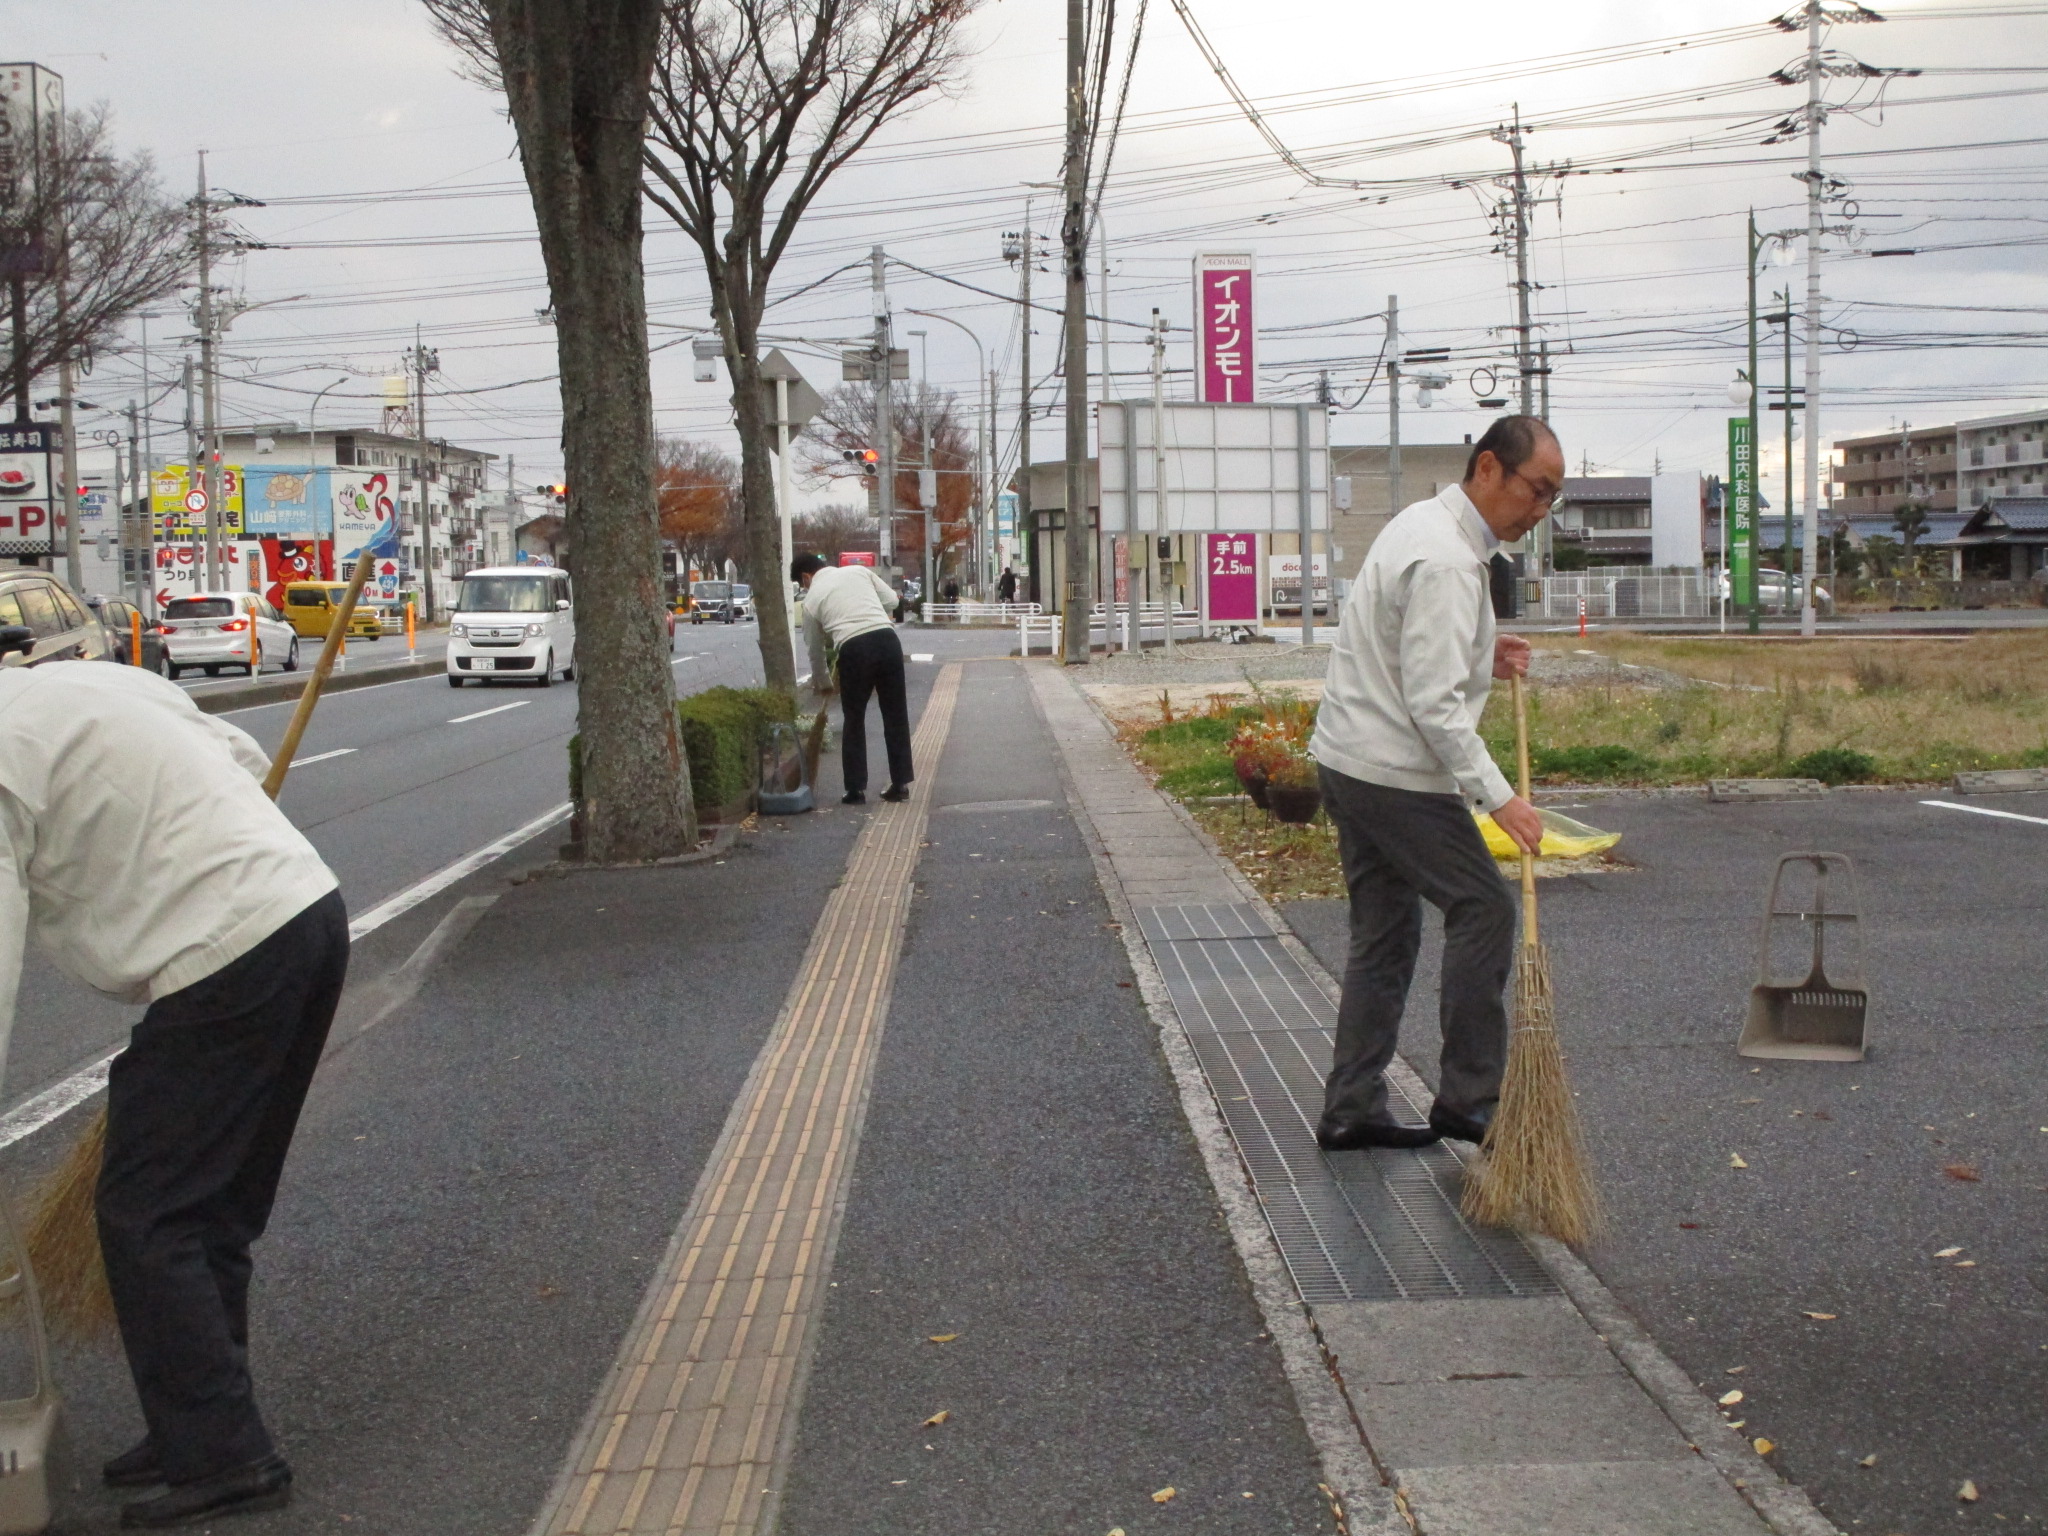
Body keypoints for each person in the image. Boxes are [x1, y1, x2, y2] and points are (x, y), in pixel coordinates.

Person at [0, 654, 344, 1527]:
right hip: (303, 911)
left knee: (145, 1212)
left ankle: (227, 1456)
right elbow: (230, 749)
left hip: (227, 951)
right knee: (211, 1208)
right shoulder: (79, 684)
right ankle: (198, 1425)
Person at [1306, 415, 1561, 1150]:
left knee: (1384, 939)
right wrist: (1501, 797)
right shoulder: (1450, 559)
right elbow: (1434, 706)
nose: (1541, 510)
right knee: (1483, 907)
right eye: (1536, 490)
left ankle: (1352, 1108)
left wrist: (1483, 655)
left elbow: (1411, 656)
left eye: (1554, 498)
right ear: (1489, 470)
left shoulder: (1423, 524)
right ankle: (1469, 1096)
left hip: (1350, 758)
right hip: (1395, 772)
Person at [792, 554, 914, 805]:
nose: (804, 588)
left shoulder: (811, 601)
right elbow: (892, 600)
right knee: (895, 715)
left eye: (802, 584)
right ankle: (900, 784)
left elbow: (814, 650)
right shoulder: (857, 572)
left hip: (854, 649)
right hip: (887, 641)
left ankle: (855, 789)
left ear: (806, 577)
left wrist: (823, 682)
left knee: (854, 718)